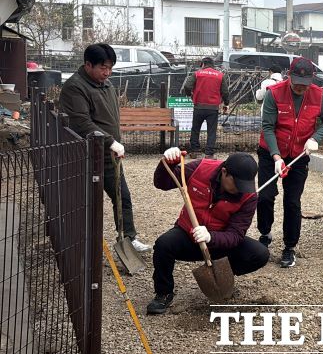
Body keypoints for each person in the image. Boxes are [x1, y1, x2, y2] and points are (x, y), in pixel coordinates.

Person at [147, 149, 269, 315]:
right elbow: (162, 183)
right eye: (238, 184)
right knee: (163, 245)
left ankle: (223, 271)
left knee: (260, 253)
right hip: (188, 234)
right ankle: (164, 292)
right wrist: (168, 163)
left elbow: (235, 235)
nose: (241, 189)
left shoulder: (249, 196)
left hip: (219, 242)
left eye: (244, 184)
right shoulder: (200, 169)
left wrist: (211, 237)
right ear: (225, 172)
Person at [59, 43, 151, 252]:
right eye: (103, 68)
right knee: (87, 201)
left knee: (122, 196)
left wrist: (112, 142)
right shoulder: (75, 87)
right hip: (86, 155)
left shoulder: (107, 85)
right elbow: (81, 122)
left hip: (109, 154)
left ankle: (129, 237)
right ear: (88, 65)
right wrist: (111, 141)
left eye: (110, 68)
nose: (107, 73)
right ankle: (81, 242)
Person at [257, 56, 323, 268]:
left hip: (299, 154)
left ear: (312, 79)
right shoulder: (274, 93)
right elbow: (268, 126)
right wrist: (275, 156)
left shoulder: (318, 95)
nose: (301, 88)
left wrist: (314, 139)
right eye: (297, 84)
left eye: (305, 84)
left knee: (292, 201)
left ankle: (290, 247)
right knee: (265, 196)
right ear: (289, 76)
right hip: (270, 153)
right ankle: (265, 233)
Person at [182, 56, 229, 159]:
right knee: (211, 131)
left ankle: (195, 151)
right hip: (213, 108)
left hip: (198, 106)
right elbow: (225, 92)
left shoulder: (197, 74)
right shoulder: (220, 75)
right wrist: (226, 103)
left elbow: (187, 86)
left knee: (195, 129)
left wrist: (190, 95)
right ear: (213, 65)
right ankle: (209, 153)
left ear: (203, 64)